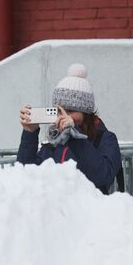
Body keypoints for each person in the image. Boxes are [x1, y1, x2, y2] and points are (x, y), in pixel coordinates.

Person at [17, 63, 122, 194]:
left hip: (90, 211)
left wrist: (75, 136)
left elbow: (103, 176)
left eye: (71, 111)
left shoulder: (105, 139)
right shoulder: (55, 141)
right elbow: (26, 174)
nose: (64, 116)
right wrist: (30, 134)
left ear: (87, 113)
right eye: (59, 111)